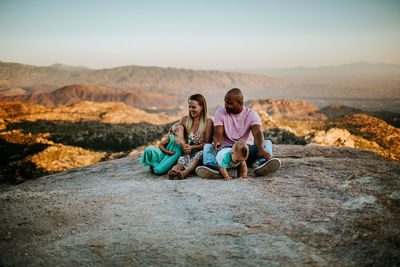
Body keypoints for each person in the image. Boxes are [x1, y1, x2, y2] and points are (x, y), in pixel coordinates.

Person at [196, 88, 281, 178]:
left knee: (266, 143)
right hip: (227, 153)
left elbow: (257, 133)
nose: (226, 105)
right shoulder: (220, 113)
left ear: (240, 102)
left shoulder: (252, 115)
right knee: (208, 147)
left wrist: (261, 149)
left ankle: (264, 163)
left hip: (245, 153)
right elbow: (218, 133)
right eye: (225, 102)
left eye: (229, 103)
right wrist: (217, 141)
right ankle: (211, 167)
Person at [167, 94, 213, 180]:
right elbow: (179, 137)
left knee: (198, 155)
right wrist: (185, 146)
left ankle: (185, 172)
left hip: (201, 150)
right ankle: (174, 171)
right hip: (188, 150)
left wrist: (193, 147)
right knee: (183, 159)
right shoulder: (185, 120)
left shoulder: (208, 122)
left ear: (202, 107)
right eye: (189, 107)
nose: (191, 110)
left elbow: (208, 143)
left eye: (194, 107)